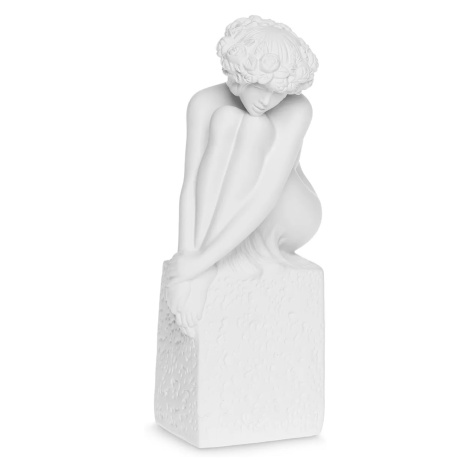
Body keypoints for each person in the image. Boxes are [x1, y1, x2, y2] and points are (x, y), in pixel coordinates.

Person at [165, 16, 322, 334]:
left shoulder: (298, 109)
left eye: (278, 92)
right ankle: (208, 262)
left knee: (254, 127)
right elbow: (191, 183)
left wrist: (198, 264)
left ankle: (210, 263)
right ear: (239, 77)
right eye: (260, 87)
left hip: (289, 211)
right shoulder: (204, 102)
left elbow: (266, 192)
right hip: (228, 212)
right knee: (227, 119)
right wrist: (187, 256)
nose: (267, 100)